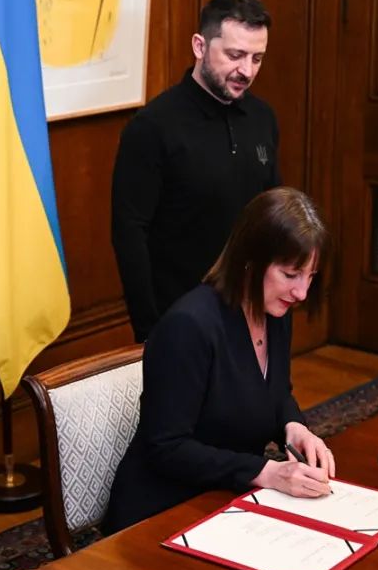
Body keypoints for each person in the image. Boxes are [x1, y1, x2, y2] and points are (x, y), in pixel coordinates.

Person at [101, 186, 335, 535]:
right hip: (160, 513)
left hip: (226, 499)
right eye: (290, 275)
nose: (301, 293)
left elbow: (273, 391)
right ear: (250, 261)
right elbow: (166, 448)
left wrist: (293, 427)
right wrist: (266, 472)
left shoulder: (276, 312)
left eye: (310, 277)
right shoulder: (188, 326)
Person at [111, 0, 280, 342]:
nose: (246, 71)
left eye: (257, 58)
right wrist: (149, 330)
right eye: (235, 55)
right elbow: (130, 233)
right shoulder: (153, 127)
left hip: (252, 311)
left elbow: (272, 213)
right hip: (180, 319)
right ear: (200, 46)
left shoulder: (262, 117)